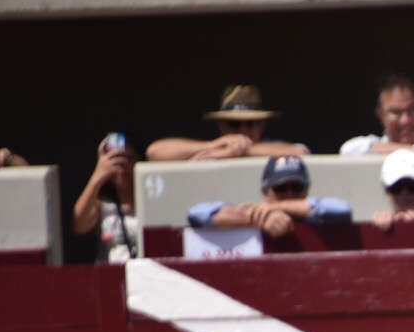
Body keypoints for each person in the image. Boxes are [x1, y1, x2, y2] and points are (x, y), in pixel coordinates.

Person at [187, 155, 351, 239]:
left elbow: (343, 209)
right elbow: (196, 213)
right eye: (281, 188)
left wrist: (274, 207)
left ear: (307, 189)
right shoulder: (253, 213)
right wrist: (258, 218)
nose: (290, 194)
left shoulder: (314, 216)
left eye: (297, 187)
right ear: (266, 192)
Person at [146, 85, 310, 162]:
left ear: (262, 125)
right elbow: (155, 152)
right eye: (234, 123)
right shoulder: (211, 151)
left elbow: (300, 154)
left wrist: (240, 151)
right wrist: (213, 146)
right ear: (221, 125)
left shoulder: (273, 148)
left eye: (251, 123)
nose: (243, 130)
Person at [340, 74, 414, 156]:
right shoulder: (366, 145)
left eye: (411, 110)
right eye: (396, 112)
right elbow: (348, 150)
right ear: (380, 114)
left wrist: (384, 150)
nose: (405, 121)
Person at [71, 134, 139, 263]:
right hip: (109, 277)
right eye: (115, 158)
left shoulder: (150, 200)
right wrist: (99, 173)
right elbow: (79, 225)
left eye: (128, 158)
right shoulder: (101, 202)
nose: (121, 164)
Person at [371, 149, 414, 232]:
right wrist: (375, 229)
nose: (404, 193)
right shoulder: (379, 223)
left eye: (412, 185)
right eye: (396, 187)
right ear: (387, 193)